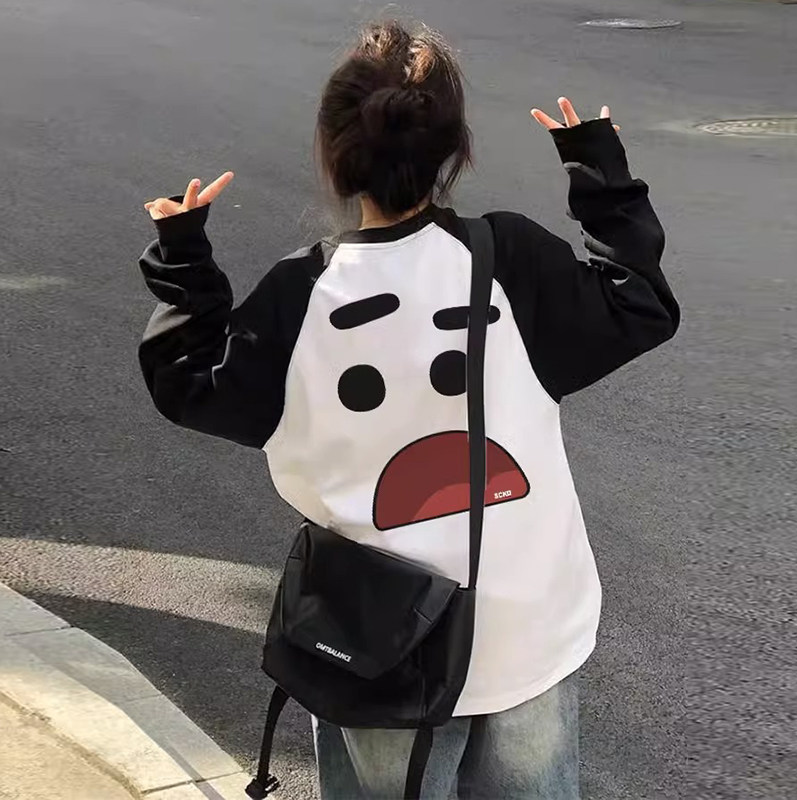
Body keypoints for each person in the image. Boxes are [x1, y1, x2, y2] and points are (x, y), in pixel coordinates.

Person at [138, 19, 678, 800]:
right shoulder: (508, 259)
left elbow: (189, 384)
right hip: (527, 627)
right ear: (453, 152)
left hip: (375, 642)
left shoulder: (300, 296)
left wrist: (184, 258)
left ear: (335, 155)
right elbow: (639, 304)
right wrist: (600, 173)